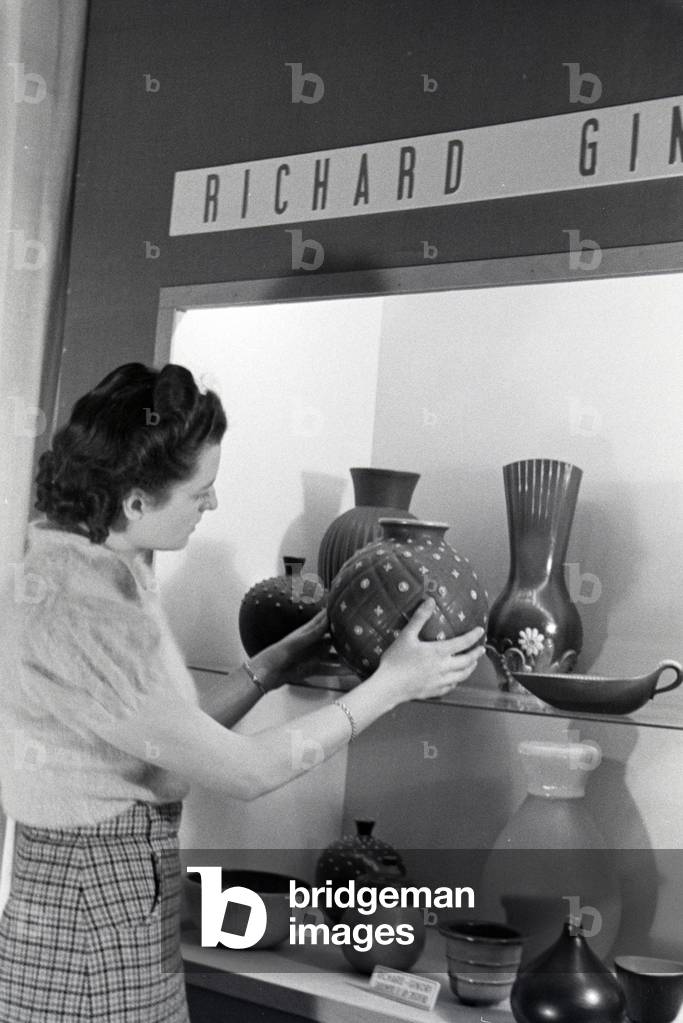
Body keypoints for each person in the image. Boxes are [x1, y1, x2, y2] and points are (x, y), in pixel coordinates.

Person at [0, 362, 486, 1022]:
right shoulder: (83, 610)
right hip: (91, 910)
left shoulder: (85, 567)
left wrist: (273, 664)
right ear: (136, 500)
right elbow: (244, 771)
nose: (212, 505)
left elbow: (166, 743)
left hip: (100, 899)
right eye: (201, 491)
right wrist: (391, 685)